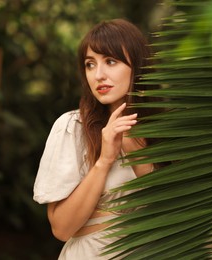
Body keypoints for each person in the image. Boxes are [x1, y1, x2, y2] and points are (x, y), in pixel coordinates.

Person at [33, 19, 160, 259]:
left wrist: (133, 147)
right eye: (90, 65)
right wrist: (104, 160)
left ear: (138, 66)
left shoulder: (164, 130)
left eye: (110, 62)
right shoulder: (74, 127)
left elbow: (172, 207)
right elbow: (61, 228)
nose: (98, 75)